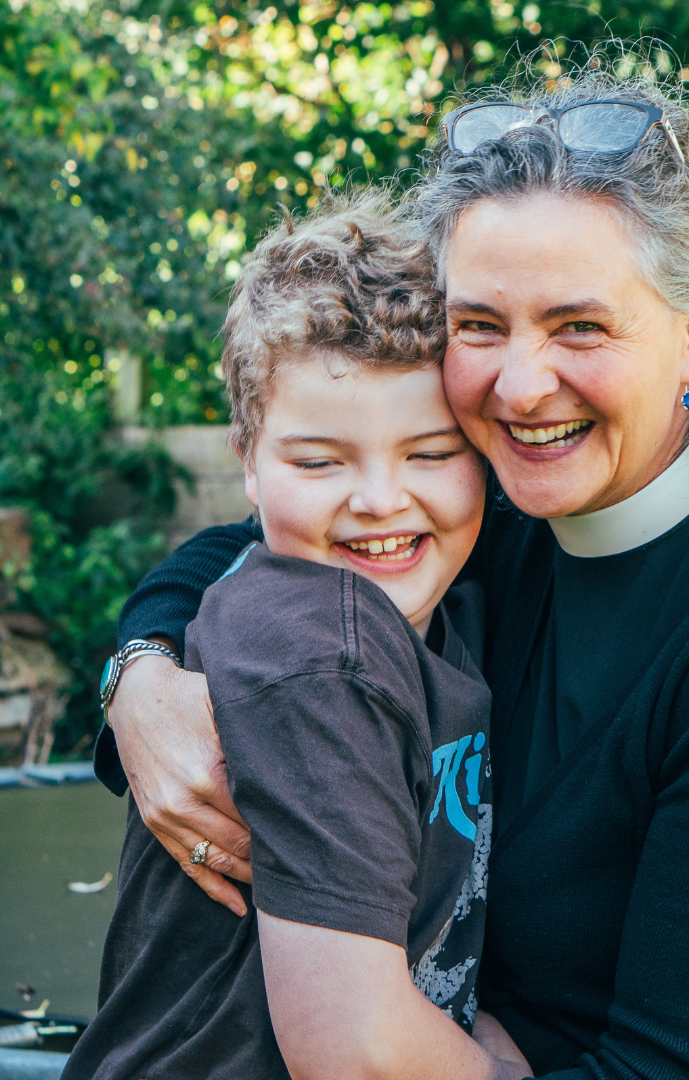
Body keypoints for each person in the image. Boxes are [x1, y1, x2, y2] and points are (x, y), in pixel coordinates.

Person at [97, 59, 689, 1080]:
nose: (523, 387)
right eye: (481, 325)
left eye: (580, 325)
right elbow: (249, 551)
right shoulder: (504, 505)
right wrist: (139, 679)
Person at [65, 194, 531, 1080]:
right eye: (319, 462)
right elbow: (353, 1052)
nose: (380, 500)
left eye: (429, 454)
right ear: (247, 458)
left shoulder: (445, 607)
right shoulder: (320, 652)